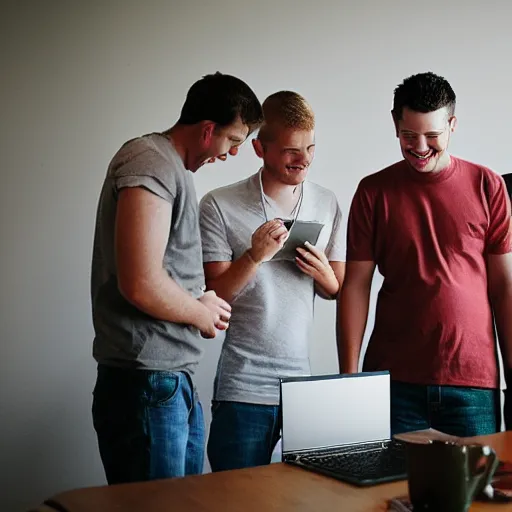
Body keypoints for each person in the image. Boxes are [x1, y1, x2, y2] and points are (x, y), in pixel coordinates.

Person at [90, 72, 263, 484]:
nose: (232, 154)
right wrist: (200, 313)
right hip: (147, 383)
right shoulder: (151, 160)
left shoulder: (172, 169)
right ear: (208, 130)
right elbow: (141, 282)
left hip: (168, 380)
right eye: (233, 141)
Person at [337, 71, 512, 437]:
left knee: (476, 493)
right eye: (408, 135)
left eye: (432, 136)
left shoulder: (488, 185)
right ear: (394, 124)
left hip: (473, 383)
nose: (420, 147)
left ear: (452, 125)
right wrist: (349, 378)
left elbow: (504, 288)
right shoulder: (373, 192)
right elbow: (356, 286)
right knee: (383, 493)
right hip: (393, 382)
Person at [199, 91, 345, 471]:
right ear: (260, 148)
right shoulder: (219, 204)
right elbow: (213, 295)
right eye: (291, 151)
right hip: (241, 389)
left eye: (310, 148)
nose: (304, 160)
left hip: (302, 392)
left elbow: (336, 289)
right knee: (235, 501)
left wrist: (325, 276)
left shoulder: (326, 202)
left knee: (300, 502)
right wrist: (253, 256)